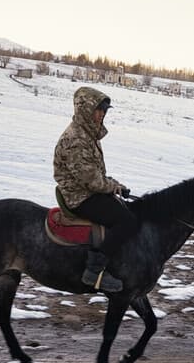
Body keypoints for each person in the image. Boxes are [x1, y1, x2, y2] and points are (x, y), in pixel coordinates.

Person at [53, 86, 137, 292]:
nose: (102, 115)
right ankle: (94, 271)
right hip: (78, 196)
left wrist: (116, 185)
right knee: (125, 220)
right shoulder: (76, 139)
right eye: (98, 110)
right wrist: (111, 187)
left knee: (125, 210)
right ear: (85, 110)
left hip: (87, 190)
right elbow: (90, 180)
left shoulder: (87, 134)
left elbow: (96, 173)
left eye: (104, 111)